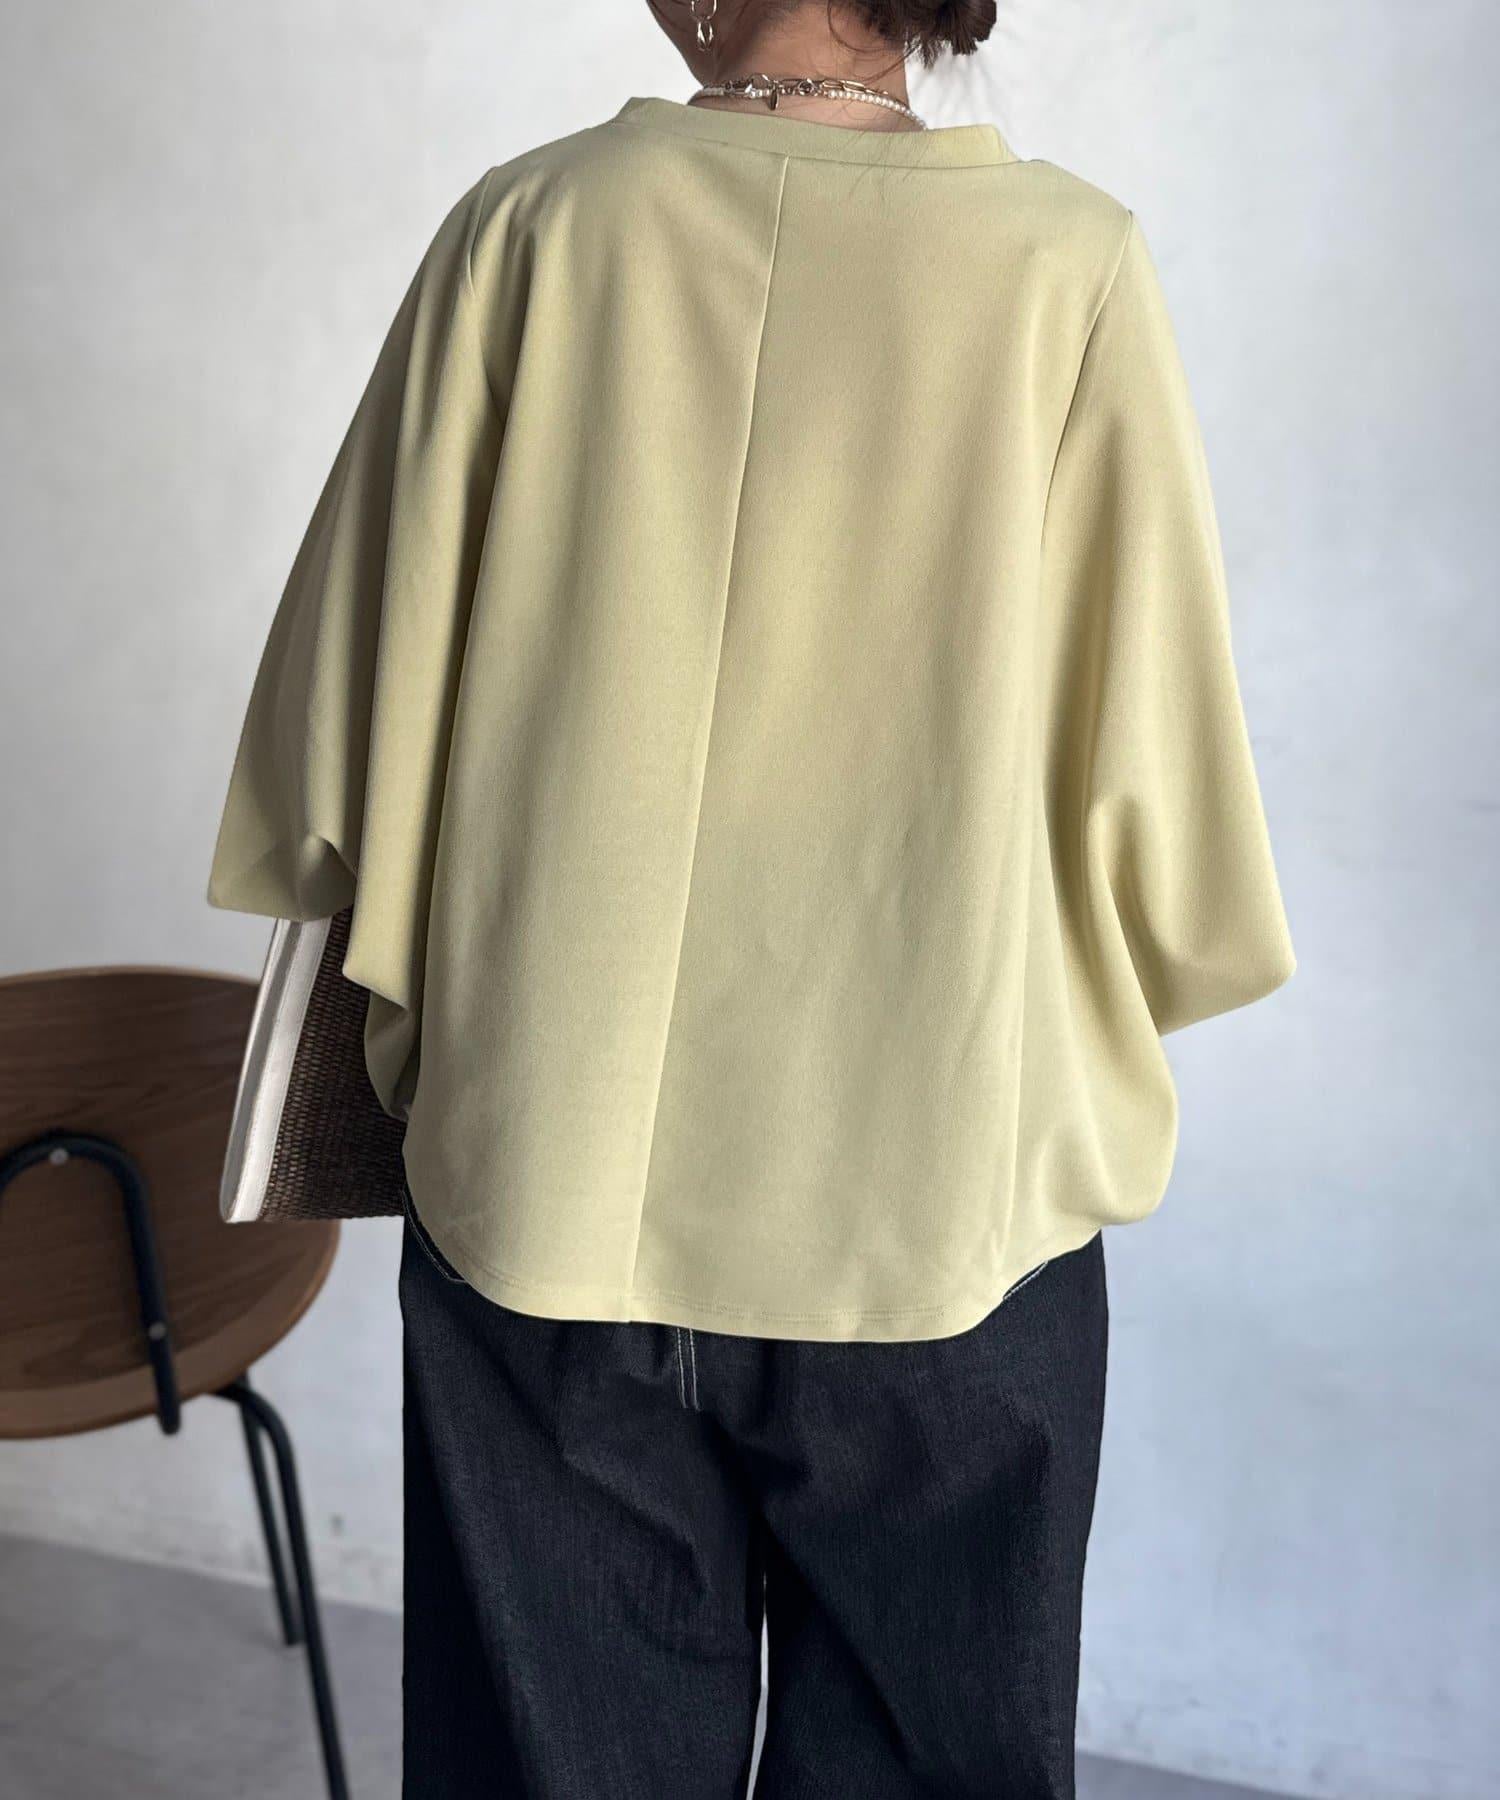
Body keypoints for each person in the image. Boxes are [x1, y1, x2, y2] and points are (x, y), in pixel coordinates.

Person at [205, 2, 1298, 1794]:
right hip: (937, 1195)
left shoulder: (532, 227)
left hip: (552, 1174)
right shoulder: (1066, 266)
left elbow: (337, 746)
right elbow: (1163, 814)